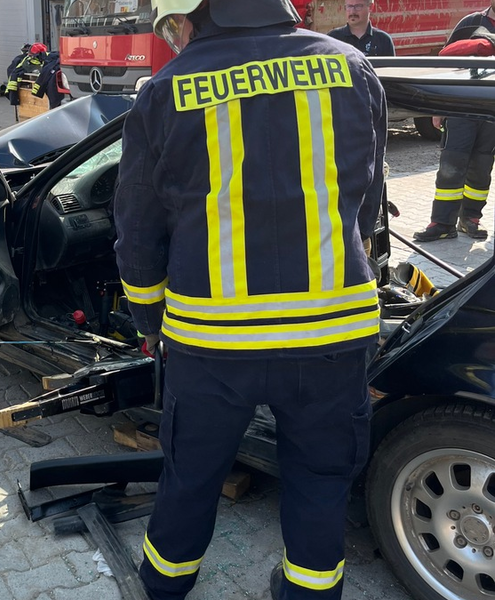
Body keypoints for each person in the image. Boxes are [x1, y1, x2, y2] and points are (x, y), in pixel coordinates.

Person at [112, 1, 386, 599]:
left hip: (212, 343)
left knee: (192, 474)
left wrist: (148, 318)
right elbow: (366, 203)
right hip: (331, 339)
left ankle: (164, 585)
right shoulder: (352, 67)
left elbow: (138, 230)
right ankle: (309, 592)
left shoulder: (166, 89)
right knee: (319, 479)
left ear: (193, 13)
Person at [413, 4, 495, 242]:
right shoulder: (469, 24)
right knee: (452, 165)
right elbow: (444, 63)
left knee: (482, 168)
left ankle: (470, 219)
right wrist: (439, 107)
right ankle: (442, 223)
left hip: (491, 113)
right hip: (461, 108)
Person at [327, 1, 395, 57]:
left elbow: (391, 72)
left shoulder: (384, 40)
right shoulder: (333, 39)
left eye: (358, 6)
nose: (352, 12)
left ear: (371, 7)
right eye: (349, 6)